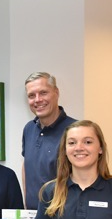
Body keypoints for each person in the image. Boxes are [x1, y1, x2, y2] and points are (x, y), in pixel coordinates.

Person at [22, 72, 76, 209]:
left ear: (56, 92)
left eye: (43, 93)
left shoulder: (75, 130)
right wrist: (26, 202)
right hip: (34, 217)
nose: (37, 99)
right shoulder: (29, 129)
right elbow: (27, 166)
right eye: (31, 95)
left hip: (65, 215)